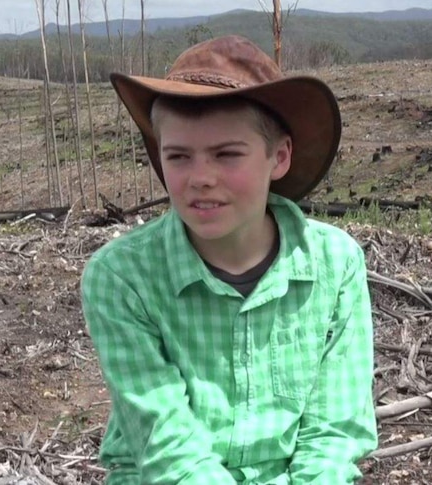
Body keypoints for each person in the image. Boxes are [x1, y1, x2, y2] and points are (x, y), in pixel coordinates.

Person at [80, 35, 377, 484]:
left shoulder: (335, 266)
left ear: (278, 157)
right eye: (179, 156)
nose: (200, 178)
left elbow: (333, 435)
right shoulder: (122, 277)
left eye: (226, 154)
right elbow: (167, 448)